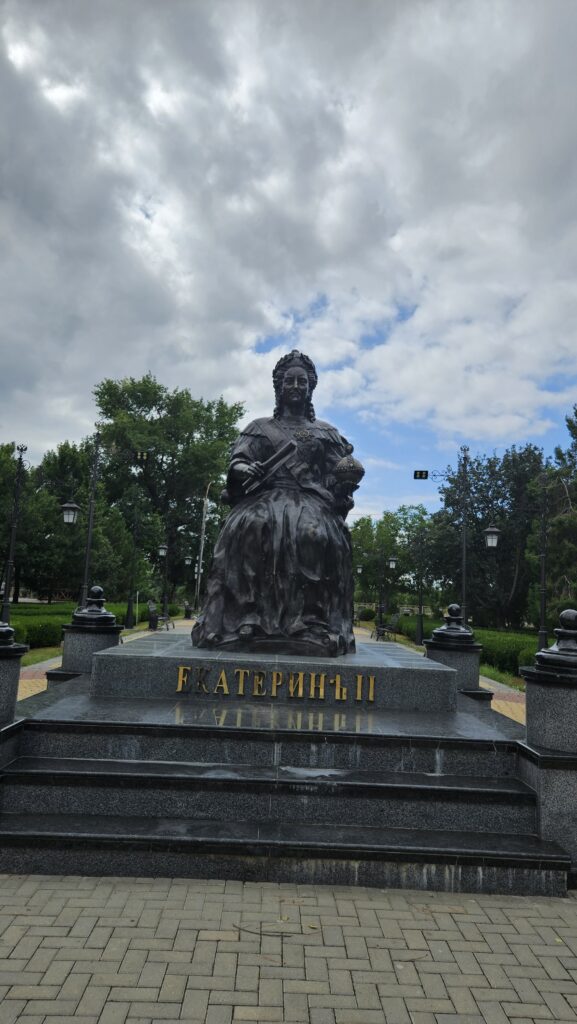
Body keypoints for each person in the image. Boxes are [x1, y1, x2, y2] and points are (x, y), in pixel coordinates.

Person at [192, 350, 363, 656]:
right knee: (252, 527)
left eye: (302, 381)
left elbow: (339, 472)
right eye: (289, 380)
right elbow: (237, 463)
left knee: (312, 533)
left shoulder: (325, 432)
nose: (295, 386)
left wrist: (346, 479)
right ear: (279, 386)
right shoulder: (258, 427)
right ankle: (249, 615)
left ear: (310, 387)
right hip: (262, 496)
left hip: (312, 501)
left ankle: (309, 621)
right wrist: (248, 469)